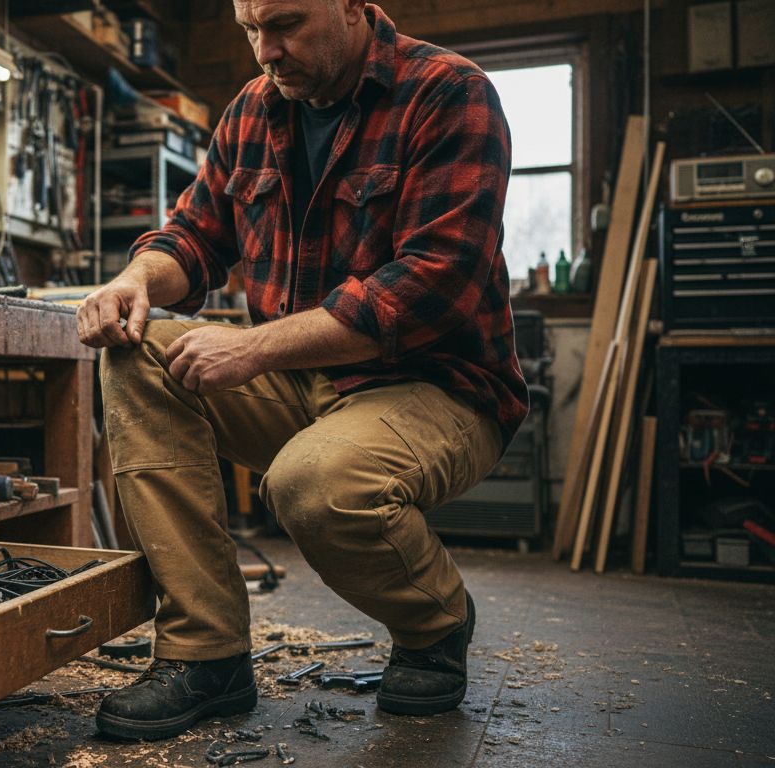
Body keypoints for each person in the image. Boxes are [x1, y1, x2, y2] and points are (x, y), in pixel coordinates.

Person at [77, 0, 528, 742]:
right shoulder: (254, 109)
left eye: (284, 24)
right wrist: (137, 281)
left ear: (353, 6)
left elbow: (434, 283)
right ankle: (207, 653)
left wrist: (252, 348)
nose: (265, 51)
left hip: (437, 385)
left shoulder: (450, 91)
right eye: (250, 29)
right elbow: (193, 237)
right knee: (138, 352)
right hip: (305, 377)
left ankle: (435, 621)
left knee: (315, 485)